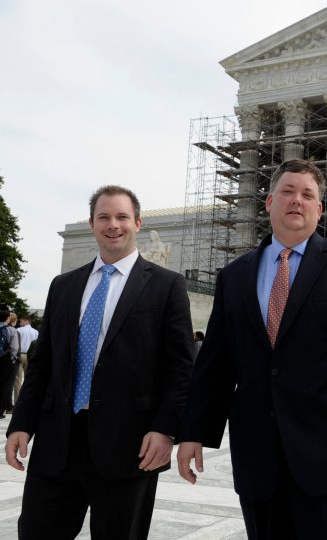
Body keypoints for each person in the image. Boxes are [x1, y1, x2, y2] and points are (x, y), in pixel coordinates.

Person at [177, 160, 327, 540]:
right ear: (269, 203)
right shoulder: (234, 276)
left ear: (320, 209)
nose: (297, 200)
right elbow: (216, 362)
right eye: (288, 192)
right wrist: (194, 432)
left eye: (307, 195)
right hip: (258, 455)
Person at [5, 185, 194, 540]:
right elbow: (43, 365)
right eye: (104, 217)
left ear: (137, 223)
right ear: (92, 224)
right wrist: (21, 424)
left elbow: (180, 368)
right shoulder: (63, 286)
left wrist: (166, 428)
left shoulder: (166, 285)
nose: (113, 225)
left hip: (129, 447)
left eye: (122, 217)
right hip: (57, 442)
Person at [13, 318, 39, 408]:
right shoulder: (36, 332)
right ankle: (28, 401)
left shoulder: (18, 330)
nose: (20, 323)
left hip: (20, 355)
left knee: (17, 380)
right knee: (29, 379)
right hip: (30, 356)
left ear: (26, 321)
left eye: (21, 321)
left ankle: (17, 402)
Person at [0, 311, 20, 418]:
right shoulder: (11, 330)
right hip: (6, 360)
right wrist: (13, 359)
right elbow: (14, 347)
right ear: (7, 318)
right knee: (6, 385)